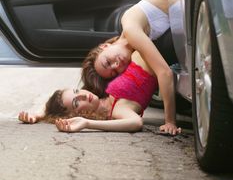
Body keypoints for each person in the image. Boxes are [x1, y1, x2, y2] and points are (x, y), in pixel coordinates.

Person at [81, 0, 180, 135]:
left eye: (107, 62)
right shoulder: (135, 47)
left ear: (105, 46)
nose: (116, 65)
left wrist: (170, 121)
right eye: (114, 72)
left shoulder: (130, 29)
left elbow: (164, 73)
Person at [18, 51, 181, 135]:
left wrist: (41, 113)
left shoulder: (99, 91)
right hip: (164, 48)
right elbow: (136, 123)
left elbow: (59, 100)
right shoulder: (117, 110)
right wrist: (87, 123)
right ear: (78, 114)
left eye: (76, 91)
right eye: (77, 102)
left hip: (148, 37)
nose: (82, 94)